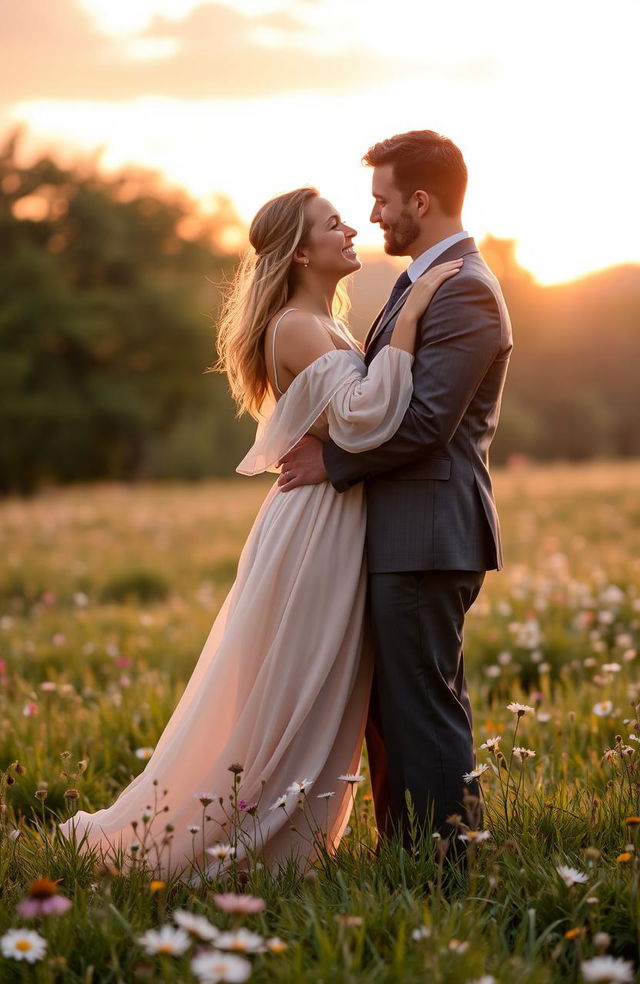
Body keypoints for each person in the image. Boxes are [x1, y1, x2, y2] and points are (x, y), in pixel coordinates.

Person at [57, 185, 462, 881]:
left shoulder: (321, 323)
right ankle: (237, 842)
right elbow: (371, 417)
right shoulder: (297, 326)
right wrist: (416, 311)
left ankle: (300, 835)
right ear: (301, 250)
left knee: (319, 684)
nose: (349, 229)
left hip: (332, 519)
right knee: (296, 685)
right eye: (332, 223)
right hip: (314, 529)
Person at [278, 130, 513, 848]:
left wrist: (335, 465)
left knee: (423, 711)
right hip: (406, 532)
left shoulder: (465, 289)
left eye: (382, 200)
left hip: (428, 531)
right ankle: (408, 856)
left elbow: (427, 424)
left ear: (419, 199)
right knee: (396, 710)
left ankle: (447, 867)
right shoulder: (422, 284)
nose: (373, 216)